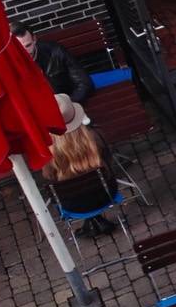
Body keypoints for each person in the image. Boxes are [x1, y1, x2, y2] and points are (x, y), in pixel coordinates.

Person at [40, 94, 118, 237]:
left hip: (72, 205)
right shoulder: (96, 136)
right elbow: (109, 160)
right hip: (106, 195)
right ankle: (97, 220)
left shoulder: (47, 154)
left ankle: (91, 224)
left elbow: (48, 175)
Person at [15, 25, 93, 104]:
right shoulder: (12, 65)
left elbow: (84, 83)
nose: (25, 52)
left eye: (28, 45)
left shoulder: (55, 51)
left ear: (34, 39)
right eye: (20, 48)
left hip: (67, 102)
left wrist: (68, 103)